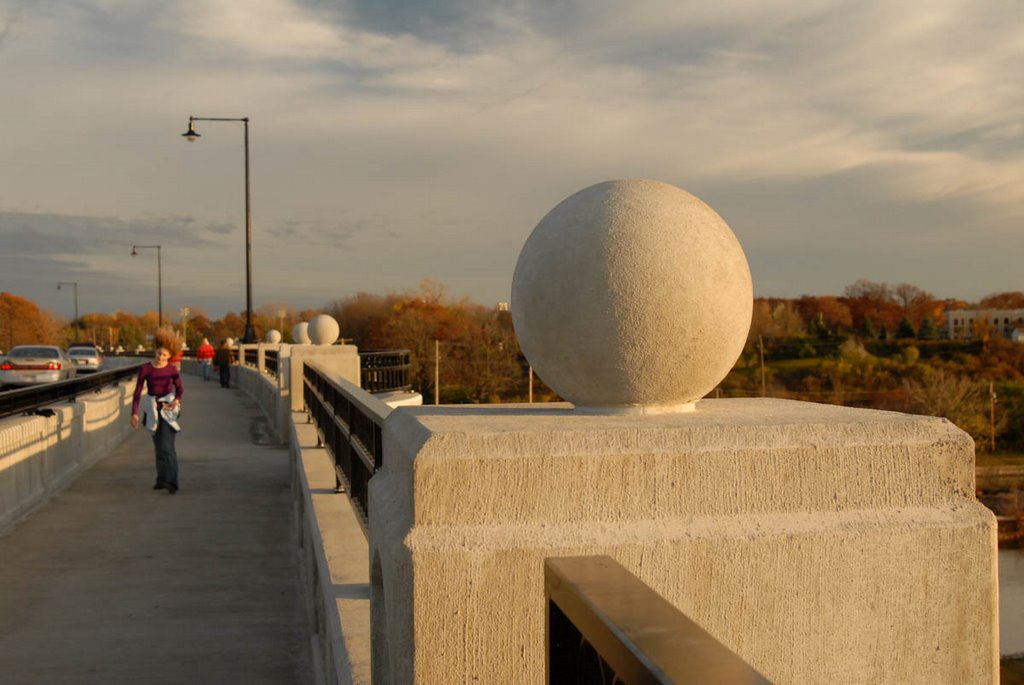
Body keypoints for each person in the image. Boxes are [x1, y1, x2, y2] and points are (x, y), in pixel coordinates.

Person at [131, 328, 184, 494]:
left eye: (165, 355)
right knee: (158, 447)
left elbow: (180, 389)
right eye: (159, 353)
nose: (161, 357)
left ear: (169, 356)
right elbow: (137, 392)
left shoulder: (171, 370)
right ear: (155, 351)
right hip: (151, 409)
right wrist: (134, 413)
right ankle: (161, 479)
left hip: (167, 409)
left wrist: (176, 401)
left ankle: (172, 482)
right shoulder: (146, 369)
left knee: (167, 447)